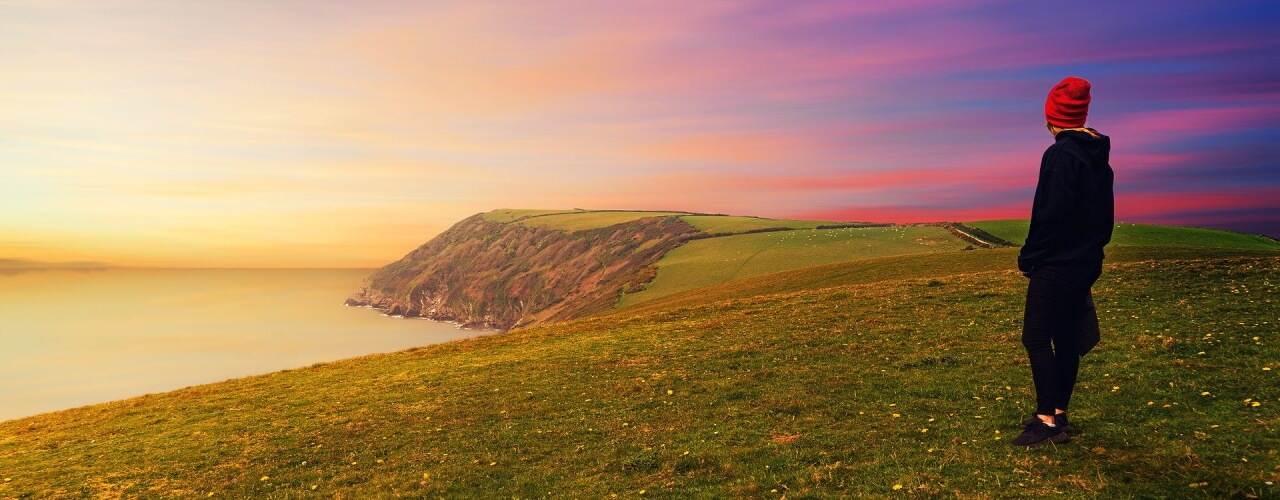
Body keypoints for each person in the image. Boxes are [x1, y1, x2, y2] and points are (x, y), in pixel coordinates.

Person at [1011, 76, 1114, 447]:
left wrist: (1029, 257)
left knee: (1036, 337)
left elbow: (1049, 216)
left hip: (1057, 263)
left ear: (1051, 117)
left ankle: (1046, 423)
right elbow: (1102, 216)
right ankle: (1059, 412)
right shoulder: (1096, 155)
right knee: (1067, 338)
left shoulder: (1059, 155)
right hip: (1086, 260)